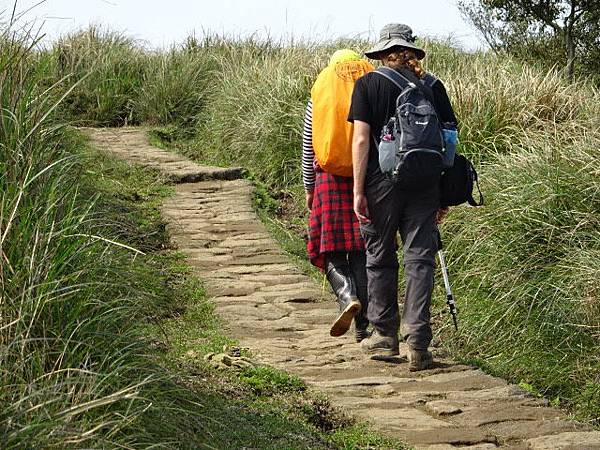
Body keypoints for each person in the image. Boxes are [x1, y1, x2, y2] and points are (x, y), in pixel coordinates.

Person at [348, 24, 458, 370]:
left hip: (381, 183)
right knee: (420, 259)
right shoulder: (434, 86)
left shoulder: (368, 84)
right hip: (425, 182)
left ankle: (384, 336)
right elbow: (449, 143)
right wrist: (442, 193)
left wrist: (357, 189)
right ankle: (419, 344)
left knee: (379, 255)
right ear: (412, 52)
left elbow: (362, 140)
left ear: (381, 54)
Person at [303, 50, 374, 342]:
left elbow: (309, 144)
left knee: (330, 249)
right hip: (367, 175)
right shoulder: (372, 85)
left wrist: (309, 186)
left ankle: (346, 298)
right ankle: (363, 328)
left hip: (329, 179)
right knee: (361, 250)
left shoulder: (320, 92)